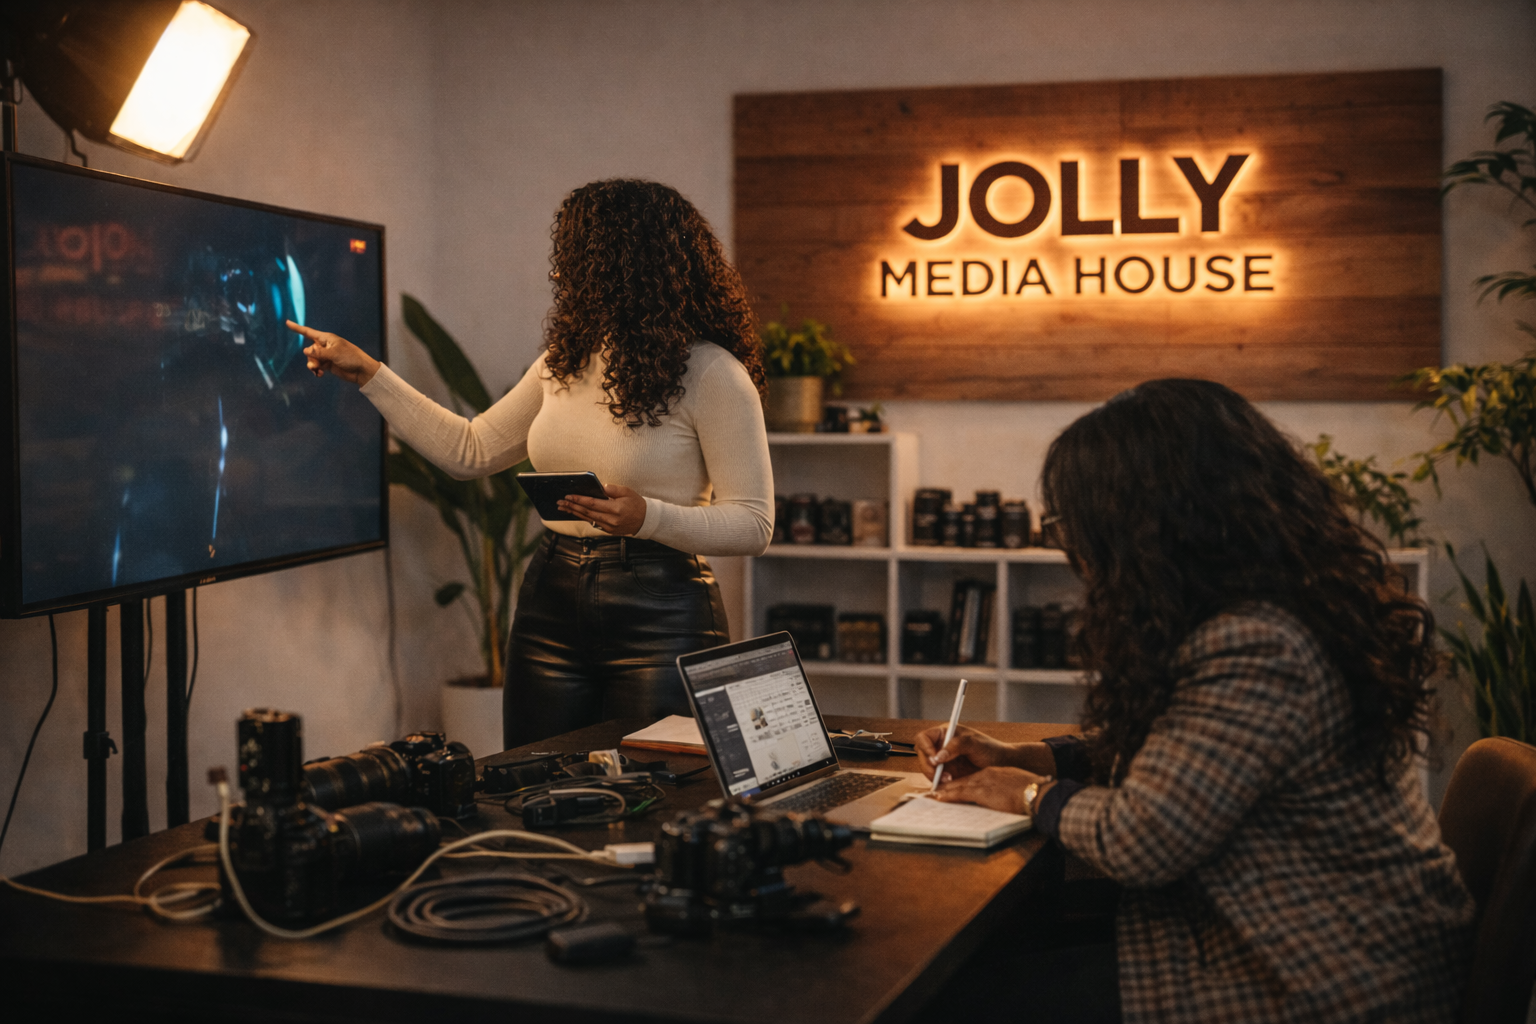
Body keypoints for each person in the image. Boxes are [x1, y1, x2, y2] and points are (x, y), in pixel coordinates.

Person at [916, 379, 1475, 1024]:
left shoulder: (1258, 641)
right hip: (1313, 937)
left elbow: (1144, 837)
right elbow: (1189, 759)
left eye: (1078, 526)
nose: (1074, 551)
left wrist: (1023, 793)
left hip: (1326, 973)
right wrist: (1031, 757)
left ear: (1153, 526)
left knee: (952, 996)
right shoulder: (1271, 609)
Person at [291, 179, 773, 748]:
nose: (560, 275)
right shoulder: (560, 363)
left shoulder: (713, 374)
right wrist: (370, 374)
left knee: (653, 802)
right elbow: (471, 451)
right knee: (533, 788)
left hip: (662, 612)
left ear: (622, 265)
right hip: (552, 600)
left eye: (574, 258)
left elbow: (754, 522)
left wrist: (648, 517)